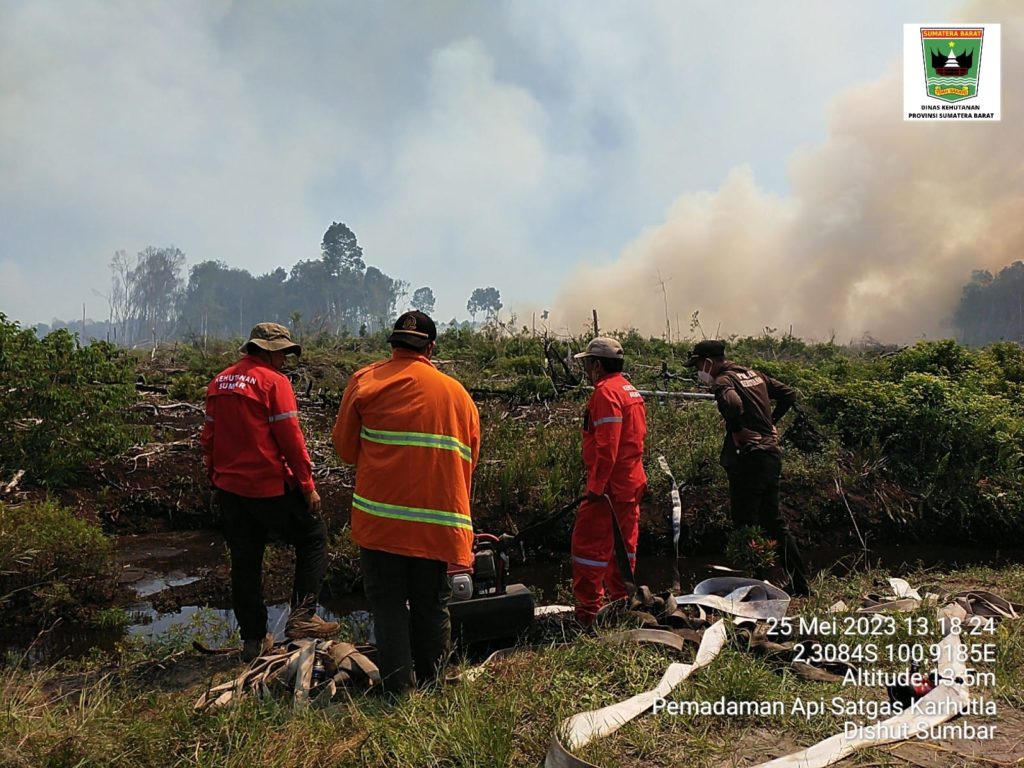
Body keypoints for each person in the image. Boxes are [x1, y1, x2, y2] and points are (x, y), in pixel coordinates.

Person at [332, 310, 480, 694]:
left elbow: (345, 450)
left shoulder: (365, 381)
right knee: (432, 606)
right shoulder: (458, 395)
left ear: (393, 344)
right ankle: (434, 686)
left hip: (380, 525)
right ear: (430, 348)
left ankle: (398, 692)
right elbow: (469, 460)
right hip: (435, 530)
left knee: (389, 607)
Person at [202, 322, 339, 661]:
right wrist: (307, 486)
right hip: (267, 486)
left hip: (231, 490)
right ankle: (303, 618)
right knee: (313, 537)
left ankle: (252, 640)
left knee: (245, 562)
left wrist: (215, 478)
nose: (284, 360)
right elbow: (291, 439)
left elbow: (209, 438)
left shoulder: (220, 381)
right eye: (281, 353)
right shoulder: (273, 382)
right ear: (266, 350)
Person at [684, 339, 810, 595]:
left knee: (745, 525)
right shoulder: (753, 374)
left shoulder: (724, 382)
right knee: (773, 523)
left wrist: (738, 429)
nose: (698, 370)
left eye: (698, 364)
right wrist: (770, 423)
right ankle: (800, 585)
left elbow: (731, 404)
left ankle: (755, 587)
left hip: (748, 459)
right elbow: (788, 393)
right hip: (770, 455)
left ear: (708, 361)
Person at [570, 337, 648, 625]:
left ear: (597, 365)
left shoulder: (605, 393)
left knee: (587, 549)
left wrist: (596, 488)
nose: (586, 369)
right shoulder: (631, 391)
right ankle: (620, 608)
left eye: (588, 363)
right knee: (623, 549)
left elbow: (608, 446)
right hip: (630, 485)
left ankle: (589, 615)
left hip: (609, 490)